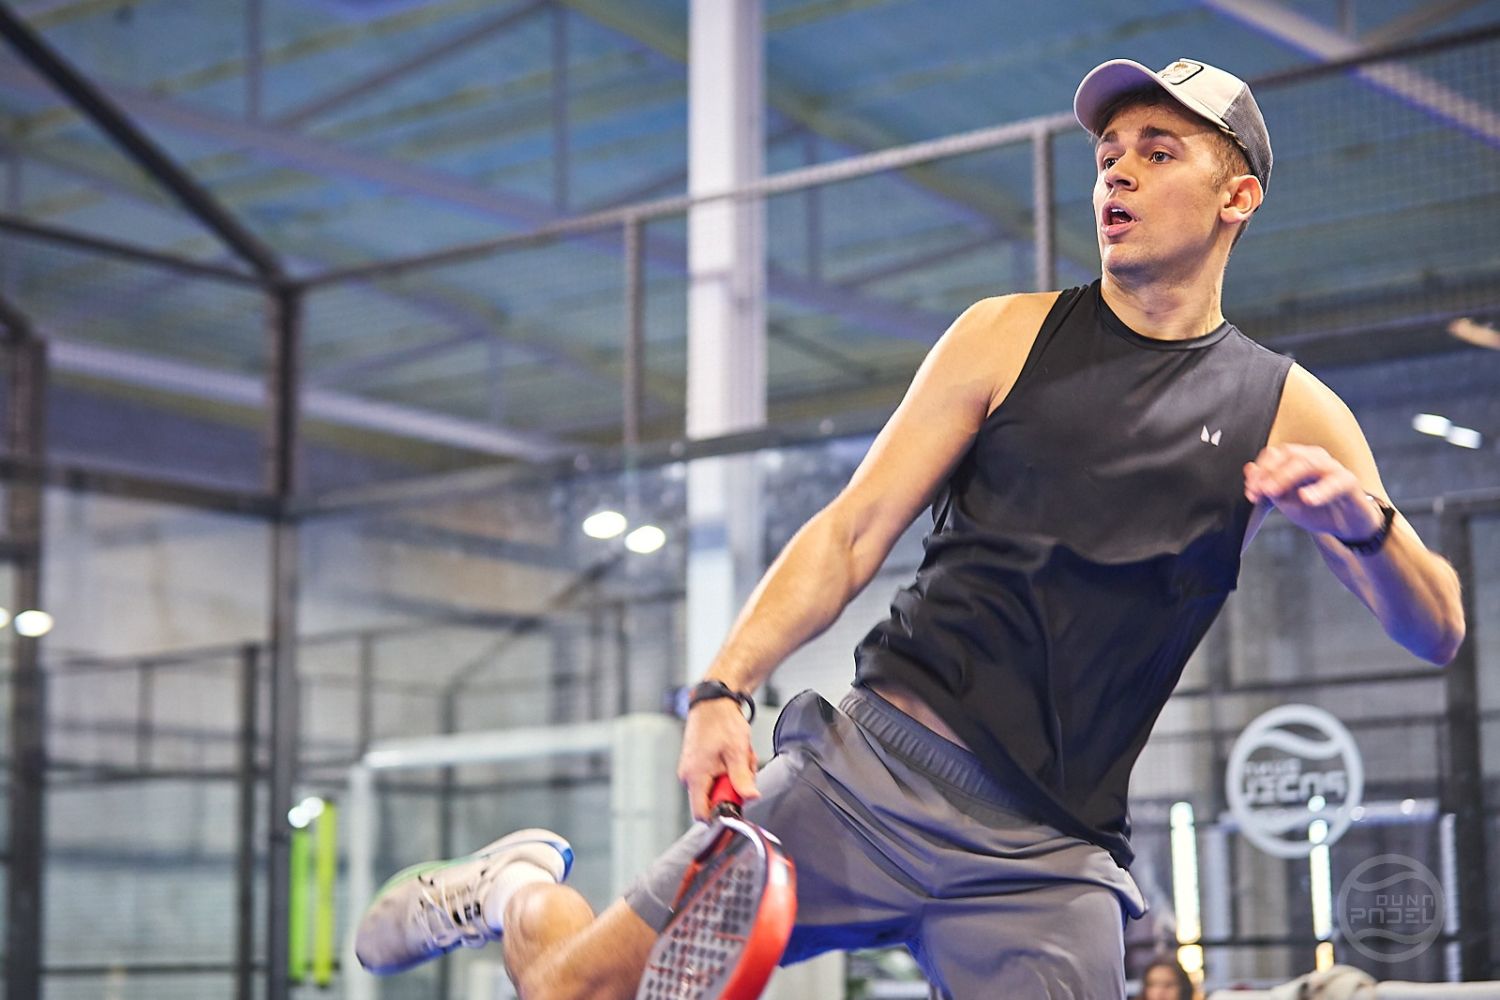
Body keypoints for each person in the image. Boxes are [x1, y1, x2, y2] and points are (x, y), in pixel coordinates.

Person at [354, 57, 1466, 999]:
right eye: (1108, 154)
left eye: (1159, 151)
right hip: (865, 779)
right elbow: (851, 532)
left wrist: (1366, 526)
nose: (1117, 172)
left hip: (1048, 857)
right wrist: (722, 688)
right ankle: (513, 887)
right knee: (577, 989)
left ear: (1239, 197)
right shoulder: (1004, 337)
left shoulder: (1289, 408)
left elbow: (1438, 631)